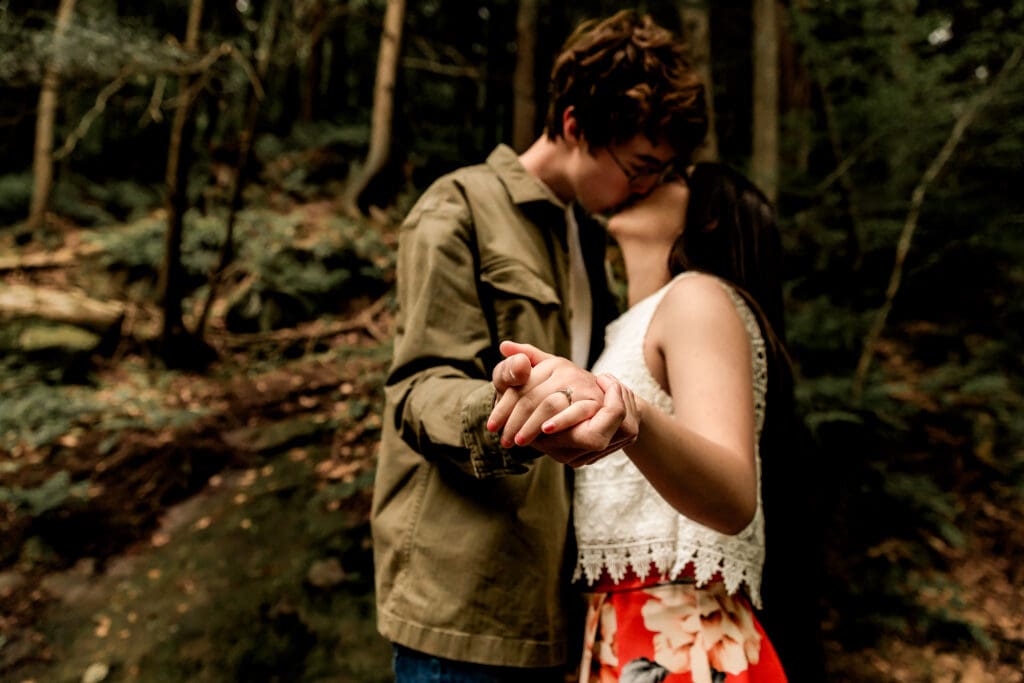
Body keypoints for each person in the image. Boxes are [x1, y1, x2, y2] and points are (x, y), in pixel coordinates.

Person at [370, 9, 707, 682]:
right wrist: (506, 410)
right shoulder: (458, 206)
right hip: (464, 605)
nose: (647, 187)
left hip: (558, 604)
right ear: (577, 125)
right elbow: (417, 388)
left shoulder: (587, 240)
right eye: (639, 166)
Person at [488, 162, 794, 682]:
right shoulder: (631, 323)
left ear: (708, 218)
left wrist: (634, 417)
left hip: (683, 633)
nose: (641, 181)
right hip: (624, 631)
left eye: (669, 176)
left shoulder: (698, 296)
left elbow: (735, 493)